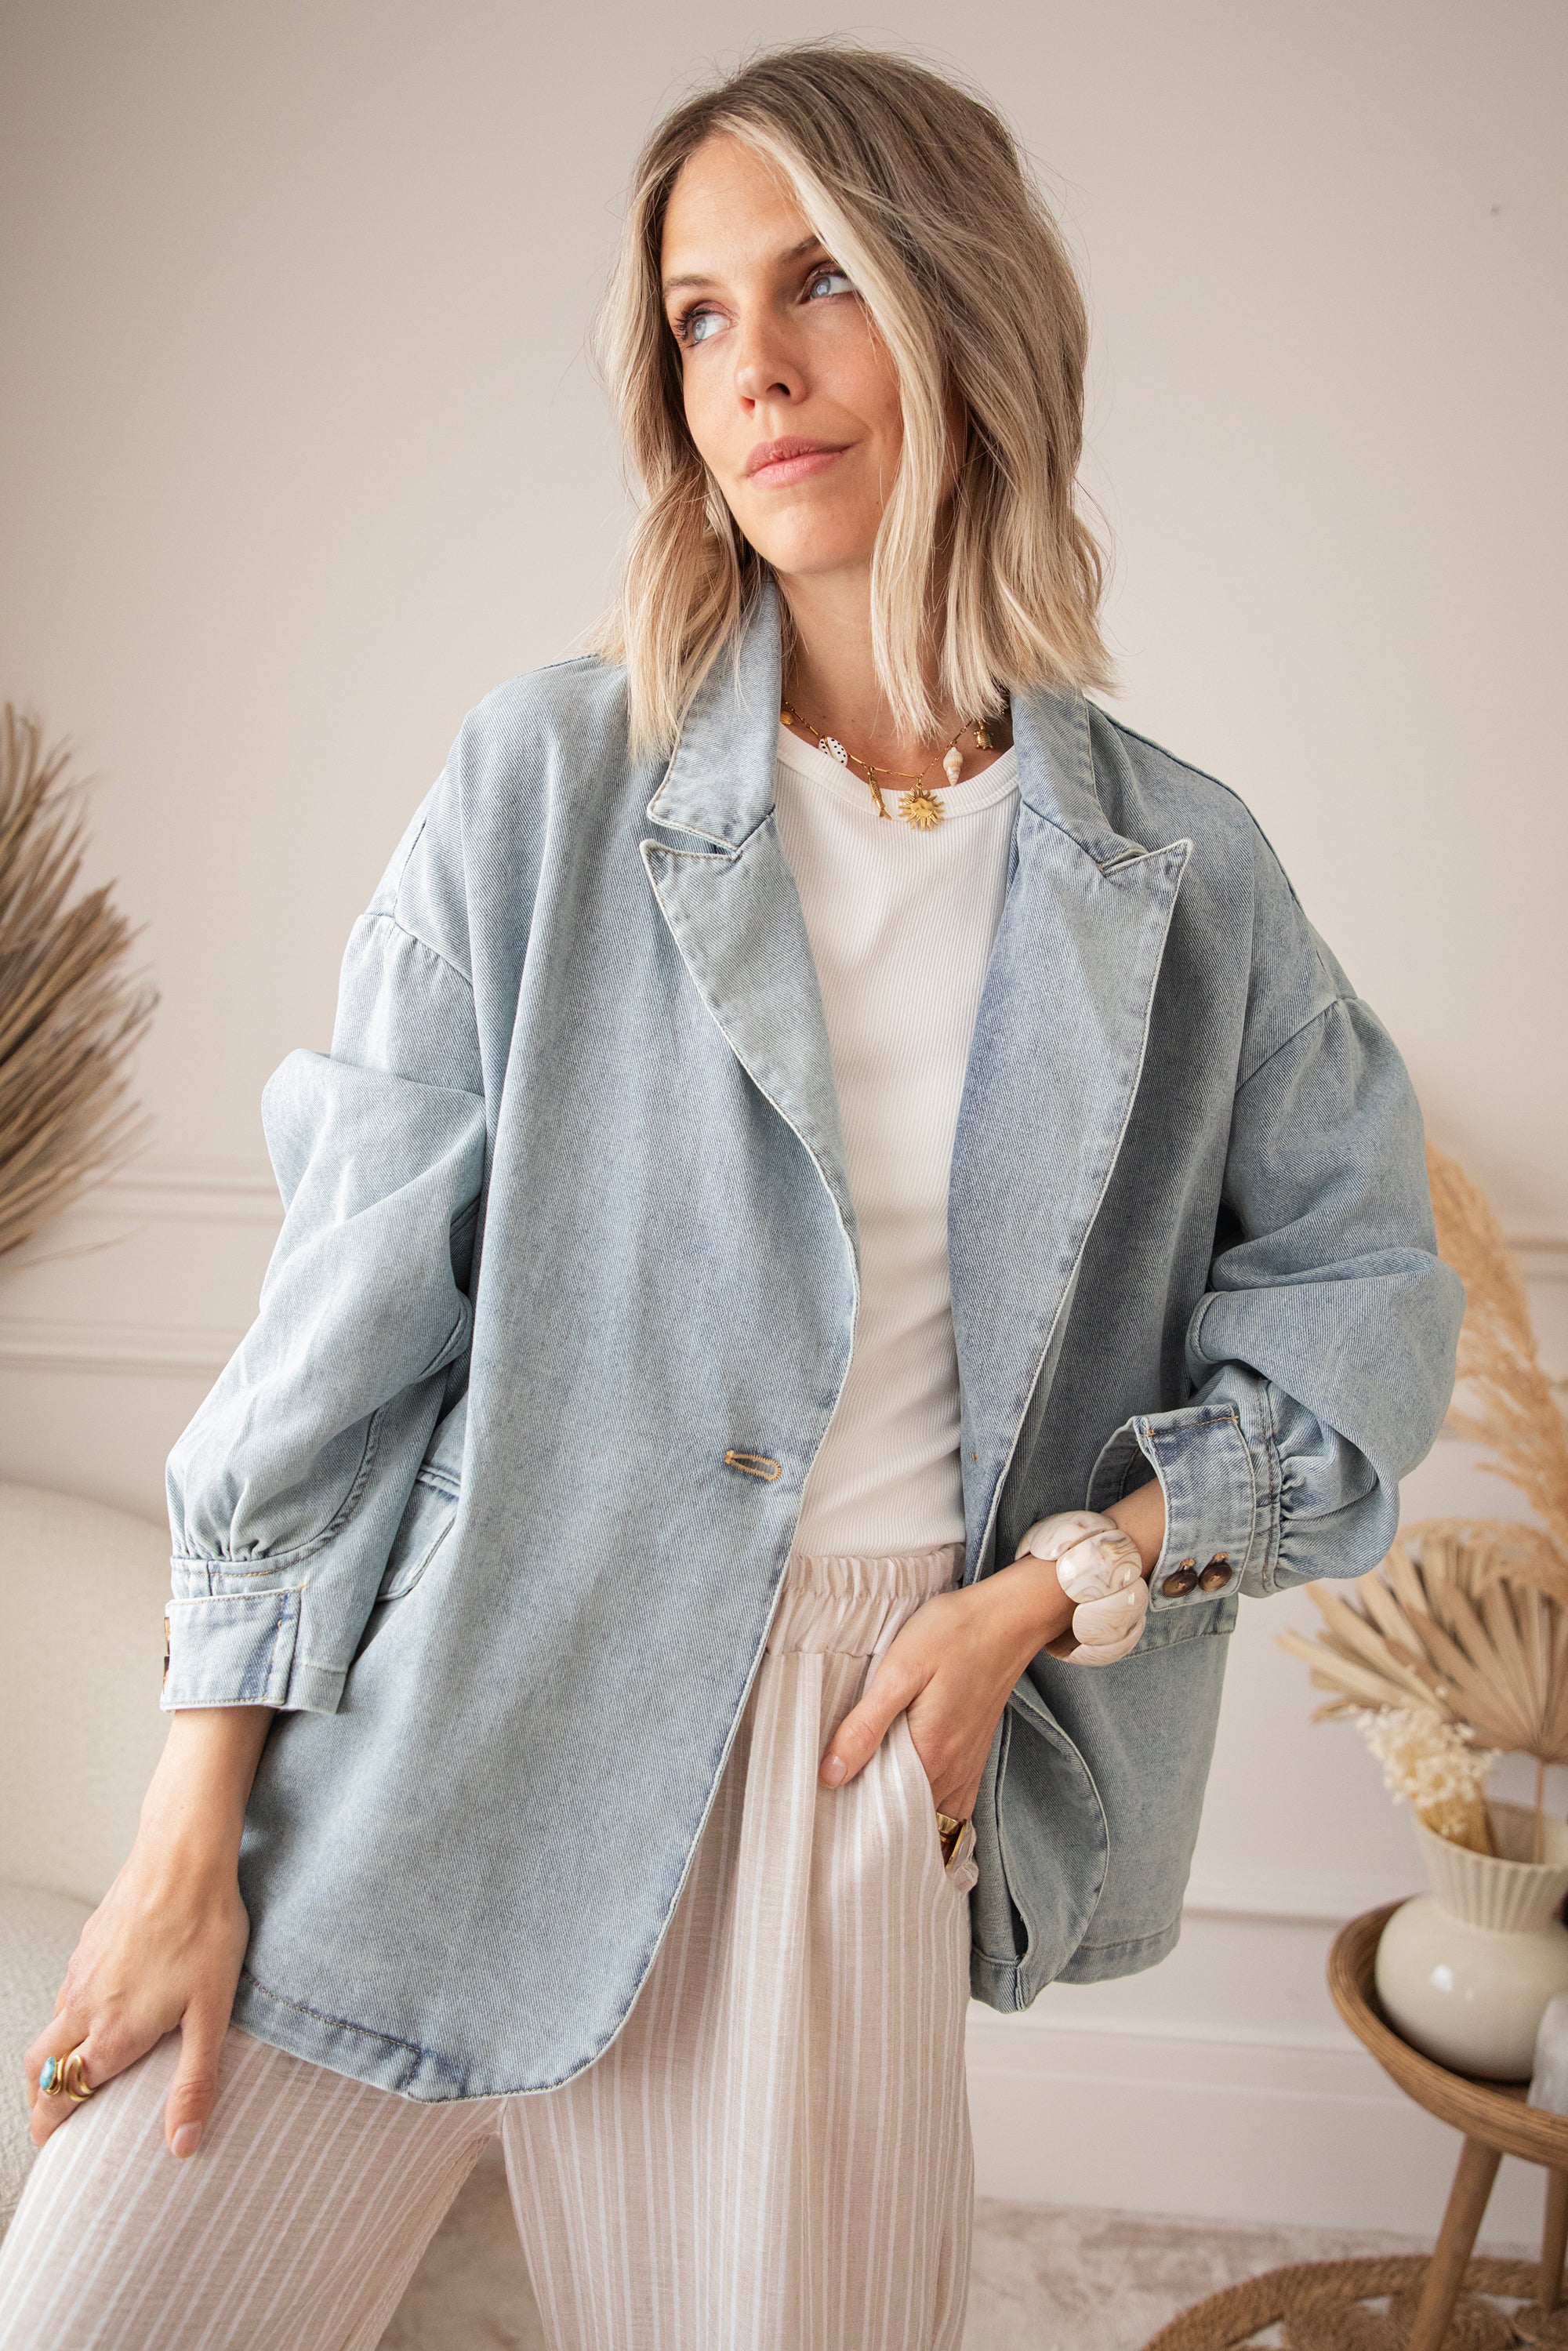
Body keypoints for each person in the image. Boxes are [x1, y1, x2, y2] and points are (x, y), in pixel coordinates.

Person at [0, 39, 1462, 2351]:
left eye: (819, 283)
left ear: (961, 305)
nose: (754, 368)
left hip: (862, 1746)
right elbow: (337, 1332)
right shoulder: (547, 783)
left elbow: (1365, 1299)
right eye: (698, 316)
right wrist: (186, 1837)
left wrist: (1054, 1589)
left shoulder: (1181, 873)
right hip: (463, 1694)